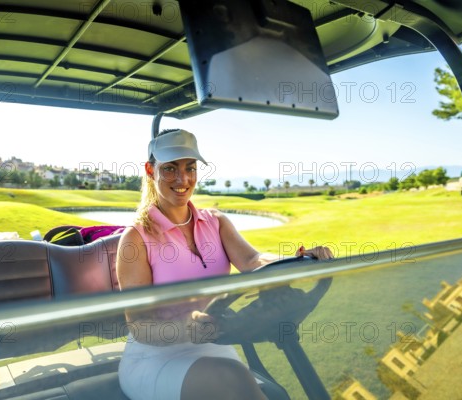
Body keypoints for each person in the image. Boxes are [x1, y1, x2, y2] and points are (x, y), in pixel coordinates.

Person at [116, 129, 333, 400]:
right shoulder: (136, 238)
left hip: (213, 343)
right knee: (235, 378)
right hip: (155, 357)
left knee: (242, 383)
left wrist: (299, 260)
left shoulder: (215, 222)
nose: (183, 179)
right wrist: (186, 328)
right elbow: (138, 325)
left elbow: (253, 261)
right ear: (151, 170)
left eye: (190, 168)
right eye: (170, 169)